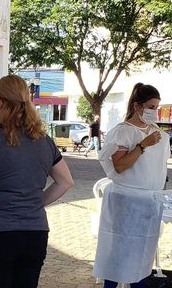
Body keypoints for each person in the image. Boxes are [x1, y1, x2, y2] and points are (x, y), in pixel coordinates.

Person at [0, 75, 74, 288]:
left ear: (0, 101)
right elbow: (65, 182)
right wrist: (35, 202)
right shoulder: (44, 142)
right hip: (35, 233)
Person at [93, 83, 170, 288]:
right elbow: (119, 166)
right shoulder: (123, 132)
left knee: (143, 253)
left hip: (148, 202)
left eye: (156, 108)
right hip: (126, 202)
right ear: (137, 106)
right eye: (151, 107)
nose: (154, 112)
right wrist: (143, 145)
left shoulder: (156, 132)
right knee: (118, 253)